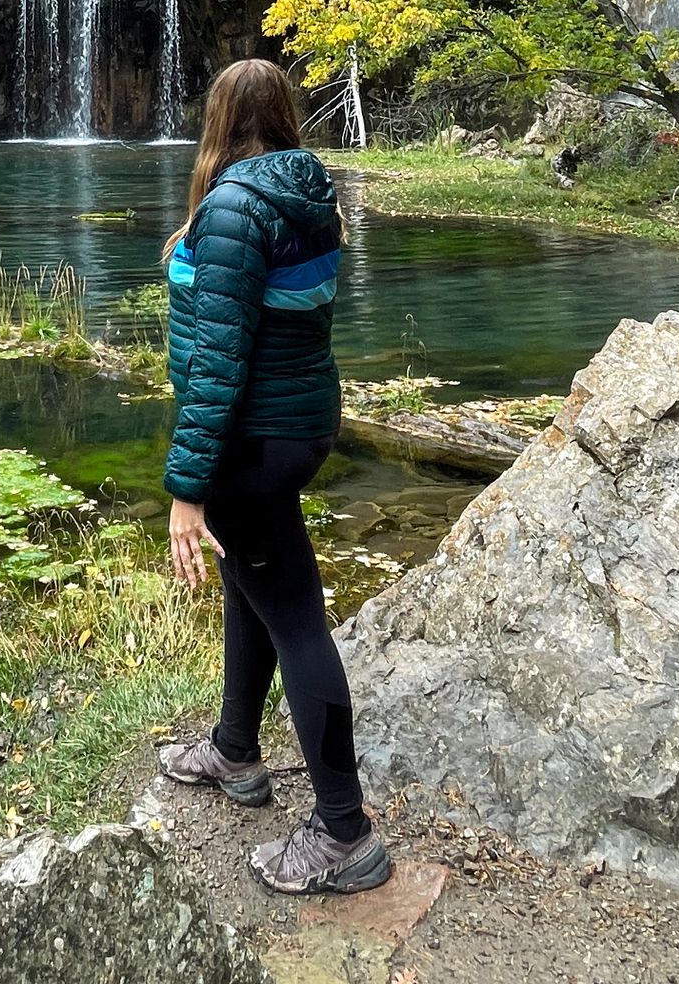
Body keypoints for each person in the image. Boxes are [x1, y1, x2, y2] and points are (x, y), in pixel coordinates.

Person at [156, 58, 391, 896]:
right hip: (299, 427)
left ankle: (344, 831)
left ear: (217, 119)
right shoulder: (306, 193)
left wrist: (187, 491)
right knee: (249, 584)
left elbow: (218, 365)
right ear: (283, 116)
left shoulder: (230, 209)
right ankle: (233, 750)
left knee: (295, 620)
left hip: (249, 444)